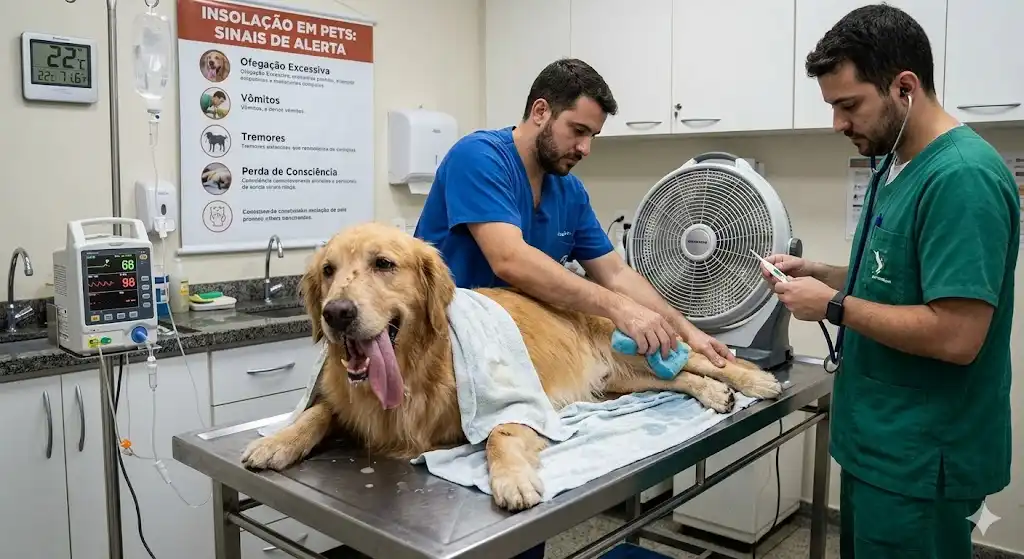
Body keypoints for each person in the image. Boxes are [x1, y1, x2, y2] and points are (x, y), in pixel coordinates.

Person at [415, 58, 734, 559]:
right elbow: (510, 258)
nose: (585, 148)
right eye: (578, 130)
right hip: (452, 369)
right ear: (541, 112)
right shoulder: (478, 157)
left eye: (593, 136)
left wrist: (686, 330)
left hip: (524, 370)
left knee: (522, 518)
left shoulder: (568, 189)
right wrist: (618, 310)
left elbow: (617, 274)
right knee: (459, 526)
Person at [761, 5, 1018, 559]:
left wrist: (831, 306)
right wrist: (822, 274)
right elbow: (895, 280)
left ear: (904, 87)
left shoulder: (962, 177)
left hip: (922, 459)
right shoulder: (896, 164)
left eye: (849, 105)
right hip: (878, 446)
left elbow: (956, 334)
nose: (837, 124)